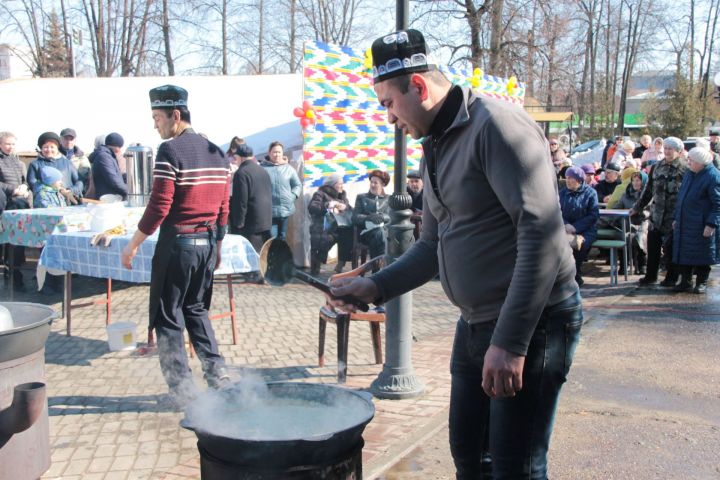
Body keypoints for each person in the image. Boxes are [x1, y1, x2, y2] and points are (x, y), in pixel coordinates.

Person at [330, 29, 581, 479]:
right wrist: (375, 286)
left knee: (514, 468)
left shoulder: (498, 126)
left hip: (534, 323)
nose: (388, 118)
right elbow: (431, 243)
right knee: (469, 455)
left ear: (419, 87)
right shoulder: (435, 143)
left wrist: (510, 342)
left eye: (388, 102)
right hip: (473, 324)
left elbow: (540, 236)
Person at [120, 84, 231, 407]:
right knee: (196, 310)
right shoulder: (217, 151)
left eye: (157, 117)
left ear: (176, 115)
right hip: (206, 244)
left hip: (179, 244)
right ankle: (218, 374)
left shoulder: (170, 151)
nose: (155, 124)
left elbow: (159, 206)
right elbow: (225, 204)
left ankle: (182, 391)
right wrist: (218, 245)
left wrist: (133, 244)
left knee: (168, 316)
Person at [631, 137, 687, 287]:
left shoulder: (685, 168)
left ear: (679, 151)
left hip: (673, 216)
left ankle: (671, 277)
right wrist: (637, 207)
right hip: (656, 215)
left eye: (671, 149)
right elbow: (648, 191)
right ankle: (650, 276)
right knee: (653, 247)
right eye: (666, 148)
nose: (668, 151)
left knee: (671, 249)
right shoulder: (656, 167)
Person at [671, 147, 720, 293]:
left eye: (691, 160)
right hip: (685, 222)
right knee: (684, 253)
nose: (688, 162)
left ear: (700, 162)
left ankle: (701, 282)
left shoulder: (713, 176)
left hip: (702, 223)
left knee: (703, 254)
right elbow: (682, 197)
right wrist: (676, 217)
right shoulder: (690, 173)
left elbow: (718, 204)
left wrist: (711, 224)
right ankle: (685, 281)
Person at [0, 131, 32, 290]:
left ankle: (16, 273)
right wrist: (14, 190)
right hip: (6, 205)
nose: (10, 147)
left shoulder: (19, 162)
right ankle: (9, 272)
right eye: (7, 143)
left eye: (13, 144)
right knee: (8, 240)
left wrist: (25, 188)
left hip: (20, 204)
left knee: (18, 241)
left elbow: (25, 181)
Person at [559, 166, 599, 286]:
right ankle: (567, 275)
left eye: (571, 178)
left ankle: (574, 274)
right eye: (566, 177)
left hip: (586, 230)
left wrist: (576, 227)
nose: (568, 180)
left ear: (579, 180)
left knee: (579, 245)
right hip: (565, 229)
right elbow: (556, 211)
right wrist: (566, 224)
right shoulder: (562, 193)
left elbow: (593, 215)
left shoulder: (591, 193)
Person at [229, 143, 272, 252]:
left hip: (251, 223)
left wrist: (238, 224)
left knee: (252, 257)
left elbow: (241, 201)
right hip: (266, 220)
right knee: (263, 255)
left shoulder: (241, 173)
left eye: (236, 157)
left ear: (240, 157)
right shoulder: (262, 170)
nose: (235, 160)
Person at [308, 173, 353, 275]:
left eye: (342, 183)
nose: (342, 186)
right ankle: (316, 265)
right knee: (325, 238)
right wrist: (327, 205)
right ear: (332, 185)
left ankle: (341, 263)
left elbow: (351, 211)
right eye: (340, 184)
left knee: (348, 234)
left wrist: (345, 207)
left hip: (339, 227)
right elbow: (312, 207)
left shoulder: (342, 196)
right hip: (323, 226)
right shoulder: (320, 194)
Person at [261, 141, 301, 241]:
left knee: (282, 238)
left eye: (279, 152)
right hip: (269, 211)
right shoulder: (262, 169)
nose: (277, 154)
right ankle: (271, 256)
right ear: (269, 153)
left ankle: (281, 256)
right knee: (271, 239)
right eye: (274, 152)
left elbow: (297, 185)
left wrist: (292, 196)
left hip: (284, 210)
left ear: (282, 153)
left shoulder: (288, 169)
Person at [352, 169, 391, 259]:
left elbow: (391, 216)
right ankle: (380, 266)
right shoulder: (362, 197)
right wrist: (368, 218)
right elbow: (354, 217)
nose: (372, 185)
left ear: (383, 185)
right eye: (371, 182)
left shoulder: (388, 199)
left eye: (375, 183)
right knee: (380, 235)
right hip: (366, 232)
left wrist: (382, 217)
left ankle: (376, 267)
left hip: (384, 232)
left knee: (380, 234)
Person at [617, 171, 649, 275]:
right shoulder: (625, 196)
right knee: (622, 235)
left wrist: (639, 212)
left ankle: (642, 264)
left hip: (642, 221)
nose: (635, 183)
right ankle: (623, 265)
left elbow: (651, 210)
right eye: (633, 180)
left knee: (639, 236)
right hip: (628, 222)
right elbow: (617, 208)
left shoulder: (648, 196)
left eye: (638, 180)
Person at [89, 133, 127, 200]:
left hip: (110, 198)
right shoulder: (104, 157)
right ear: (117, 147)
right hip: (107, 200)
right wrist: (131, 192)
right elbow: (114, 181)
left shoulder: (108, 156)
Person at [59, 128, 91, 194]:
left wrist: (72, 190)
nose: (68, 141)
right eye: (66, 138)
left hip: (76, 191)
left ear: (75, 140)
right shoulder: (54, 156)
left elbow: (83, 178)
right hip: (57, 191)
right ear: (60, 139)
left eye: (71, 139)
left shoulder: (82, 158)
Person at [407, 169, 424, 240]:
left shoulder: (429, 194)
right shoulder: (404, 194)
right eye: (411, 181)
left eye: (416, 181)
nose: (414, 184)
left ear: (423, 183)